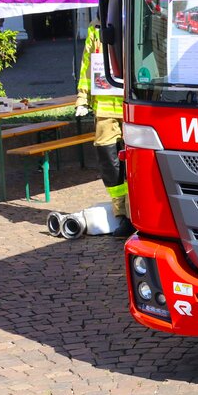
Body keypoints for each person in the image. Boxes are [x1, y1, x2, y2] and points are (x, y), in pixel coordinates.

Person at [76, 21, 132, 236]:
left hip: (132, 104)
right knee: (109, 160)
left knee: (136, 161)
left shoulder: (138, 16)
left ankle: (136, 213)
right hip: (106, 108)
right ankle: (121, 214)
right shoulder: (95, 27)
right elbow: (87, 65)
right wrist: (82, 97)